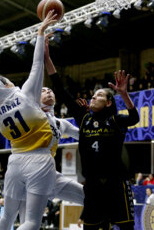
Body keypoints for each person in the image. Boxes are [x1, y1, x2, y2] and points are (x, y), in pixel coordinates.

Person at [46, 40, 139, 229]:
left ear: (108, 103)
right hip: (93, 187)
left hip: (117, 184)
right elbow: (62, 92)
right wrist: (47, 58)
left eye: (99, 96)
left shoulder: (115, 120)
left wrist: (123, 94)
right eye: (93, 95)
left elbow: (134, 117)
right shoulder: (84, 118)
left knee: (127, 227)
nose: (93, 97)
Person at [0, 11, 58, 230]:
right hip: (39, 158)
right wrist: (40, 32)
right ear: (6, 85)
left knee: (7, 216)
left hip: (15, 161)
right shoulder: (25, 94)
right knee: (32, 221)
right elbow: (37, 65)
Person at [18, 85, 84, 225]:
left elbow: (86, 136)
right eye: (43, 90)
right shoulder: (30, 115)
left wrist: (88, 118)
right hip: (28, 178)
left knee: (90, 198)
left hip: (49, 175)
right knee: (29, 225)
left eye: (50, 90)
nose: (48, 92)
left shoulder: (61, 123)